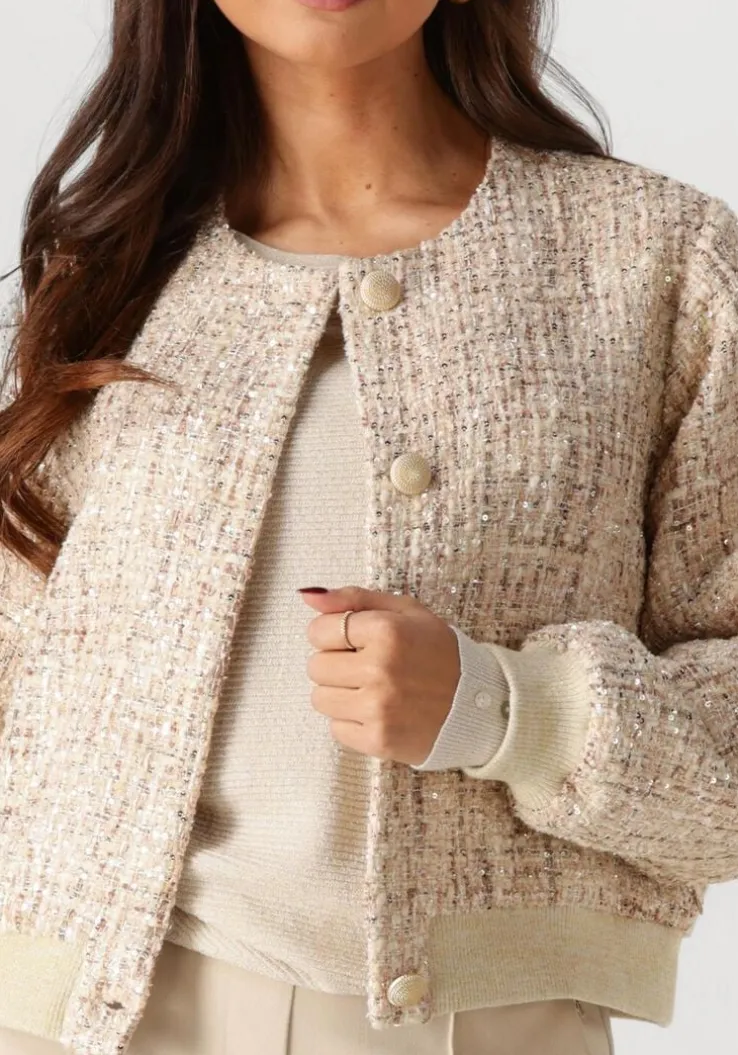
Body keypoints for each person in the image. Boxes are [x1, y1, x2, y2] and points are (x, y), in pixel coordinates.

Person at [0, 0, 736, 1053]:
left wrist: (508, 709)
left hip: (484, 1025)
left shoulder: (656, 260)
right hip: (85, 1014)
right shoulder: (108, 270)